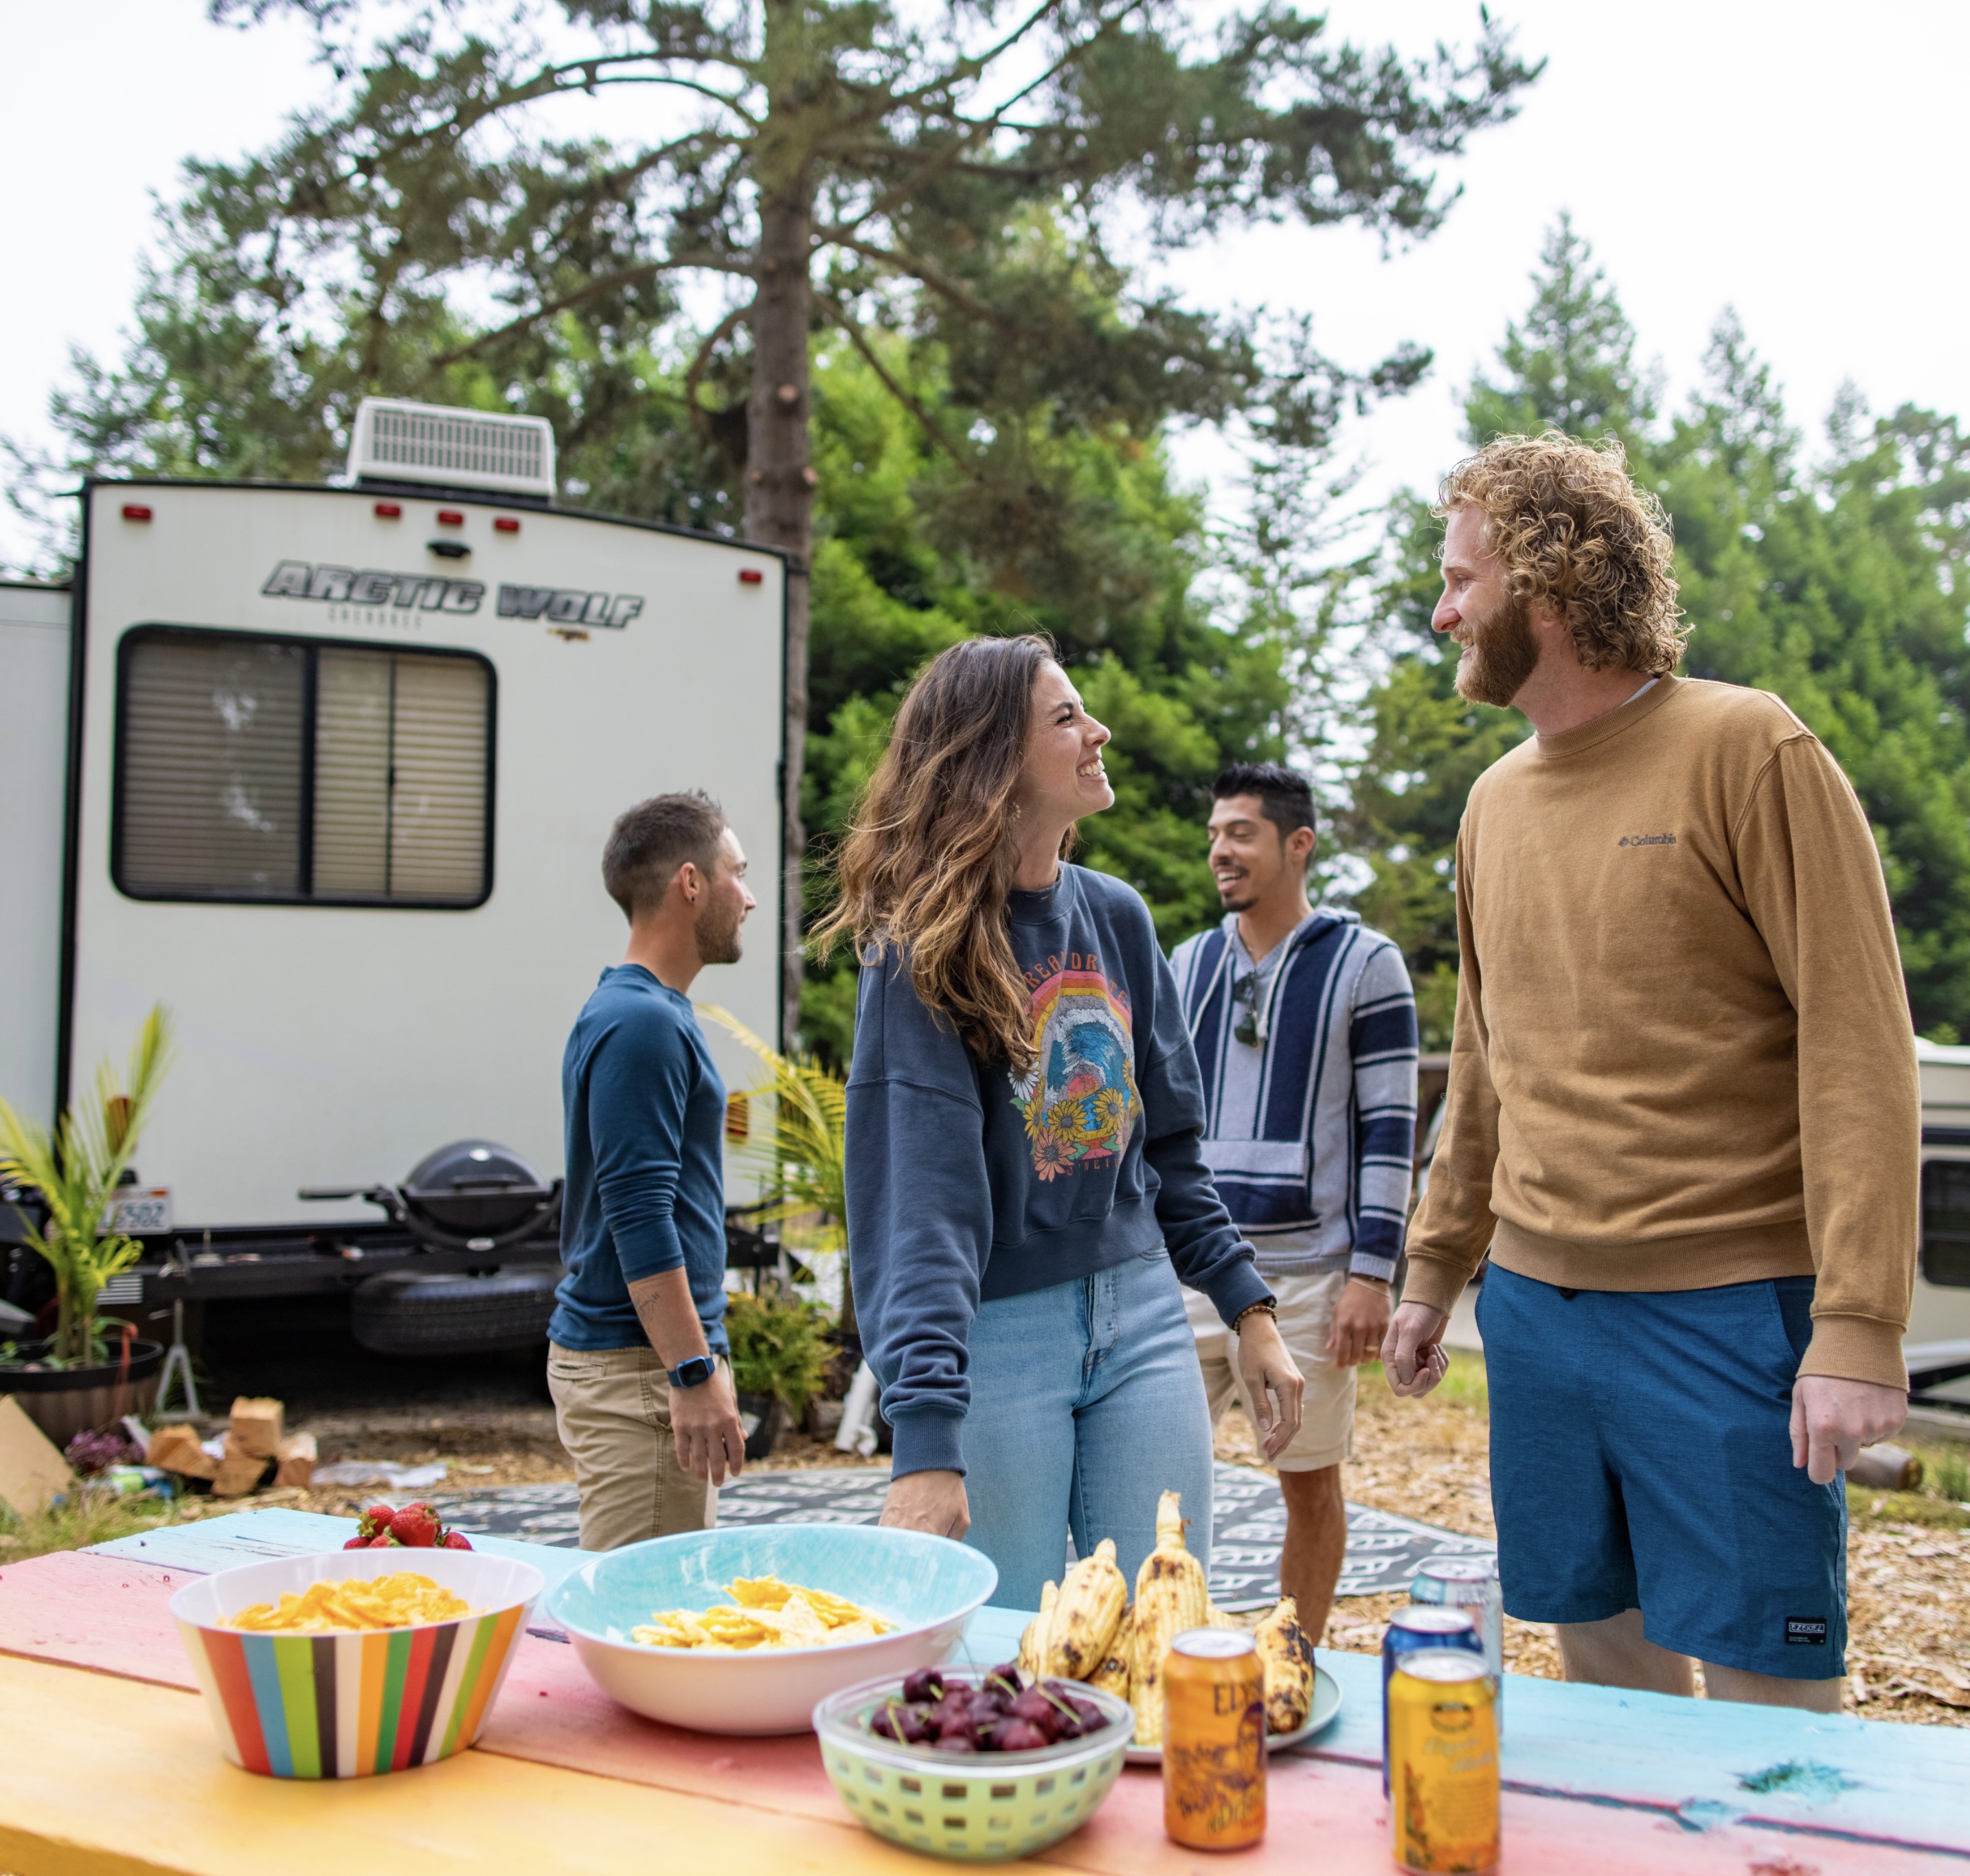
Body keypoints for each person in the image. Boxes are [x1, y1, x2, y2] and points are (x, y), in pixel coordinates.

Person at [1382, 431, 1916, 1713]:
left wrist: (1855, 1326)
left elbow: (1856, 1041)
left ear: (1550, 590)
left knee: (1762, 1701)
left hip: (1724, 1313)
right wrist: (1434, 1265)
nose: (1441, 608)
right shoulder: (1490, 805)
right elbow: (1485, 1057)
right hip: (1531, 1313)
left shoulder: (1748, 748)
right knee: (1597, 1682)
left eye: (1462, 580)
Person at [820, 635, 1306, 1609]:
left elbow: (1169, 1148)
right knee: (1005, 1652)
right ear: (992, 754)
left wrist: (1248, 1309)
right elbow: (919, 1205)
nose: (1100, 731)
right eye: (1067, 718)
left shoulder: (1118, 917)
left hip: (1143, 1322)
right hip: (1000, 1337)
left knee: (1162, 1629)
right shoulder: (921, 951)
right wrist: (922, 1433)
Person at [1169, 762, 1418, 1642]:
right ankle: (1168, 1652)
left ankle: (1296, 1657)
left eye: (1239, 833)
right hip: (1188, 1274)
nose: (1219, 852)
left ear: (1297, 843)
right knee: (1159, 1482)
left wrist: (1373, 1276)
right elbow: (1160, 1122)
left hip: (1310, 1276)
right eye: (1213, 835)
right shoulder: (1188, 962)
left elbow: (1392, 1127)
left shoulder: (1368, 965)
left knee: (1309, 1484)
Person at [546, 791, 758, 1551]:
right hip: (641, 1370)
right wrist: (692, 1371)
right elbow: (639, 1213)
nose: (752, 897)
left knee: (656, 1618)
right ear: (692, 884)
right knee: (641, 1630)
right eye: (739, 872)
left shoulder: (648, 1012)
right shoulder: (641, 1022)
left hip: (647, 1364)